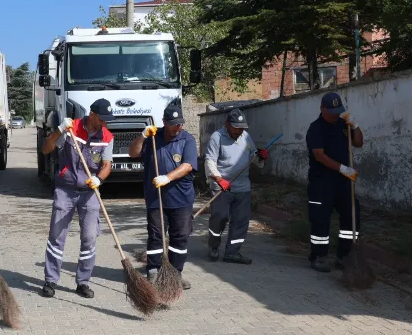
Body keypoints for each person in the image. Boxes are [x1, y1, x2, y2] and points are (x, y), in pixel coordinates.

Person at [38, 99, 115, 299]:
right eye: (101, 119)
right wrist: (59, 130)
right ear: (91, 115)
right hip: (66, 189)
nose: (104, 123)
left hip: (89, 193)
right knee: (56, 235)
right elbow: (46, 149)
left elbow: (107, 165)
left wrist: (99, 178)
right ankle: (50, 280)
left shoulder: (107, 136)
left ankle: (83, 282)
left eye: (107, 120)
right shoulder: (71, 129)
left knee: (89, 237)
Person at [129, 101, 198, 289]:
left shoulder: (187, 140)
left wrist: (167, 178)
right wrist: (142, 136)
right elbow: (133, 153)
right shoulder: (153, 138)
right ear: (164, 122)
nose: (177, 127)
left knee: (180, 237)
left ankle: (175, 273)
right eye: (173, 124)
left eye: (180, 124)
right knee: (156, 235)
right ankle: (153, 271)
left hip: (181, 198)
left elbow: (188, 165)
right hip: (155, 198)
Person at [306, 91, 363, 272]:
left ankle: (344, 255)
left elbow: (359, 143)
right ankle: (319, 256)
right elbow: (319, 156)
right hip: (321, 182)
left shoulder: (342, 125)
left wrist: (355, 126)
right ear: (322, 108)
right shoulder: (315, 128)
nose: (335, 115)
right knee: (321, 220)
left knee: (351, 216)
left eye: (338, 111)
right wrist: (343, 169)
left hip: (343, 183)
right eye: (332, 111)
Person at [205, 108, 268, 264]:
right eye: (236, 127)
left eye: (242, 128)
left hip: (242, 188)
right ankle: (214, 246)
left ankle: (232, 252)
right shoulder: (217, 137)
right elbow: (210, 161)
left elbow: (255, 160)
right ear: (227, 124)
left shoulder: (246, 137)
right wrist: (219, 180)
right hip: (222, 187)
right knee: (220, 217)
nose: (239, 131)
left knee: (241, 220)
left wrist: (261, 157)